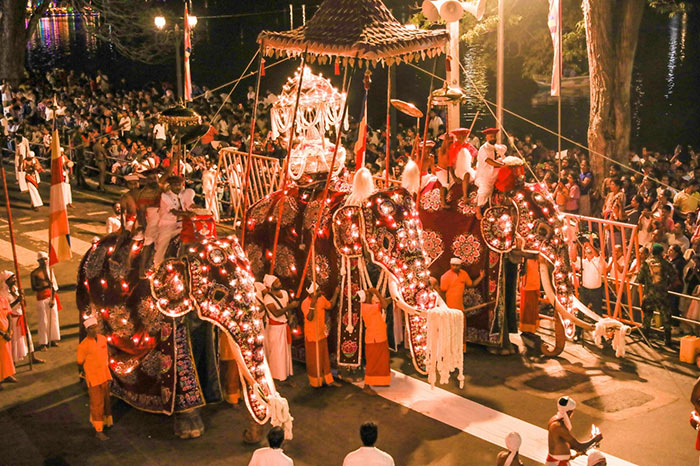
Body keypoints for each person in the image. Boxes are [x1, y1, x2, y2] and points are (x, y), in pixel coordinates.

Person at [77, 316, 113, 440]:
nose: (93, 330)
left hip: (104, 375)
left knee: (106, 401)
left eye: (94, 327)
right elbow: (79, 362)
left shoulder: (103, 339)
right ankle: (98, 430)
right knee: (97, 404)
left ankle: (105, 421)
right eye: (90, 328)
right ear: (87, 330)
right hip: (94, 378)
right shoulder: (83, 346)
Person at [300, 282, 341, 388]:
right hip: (311, 336)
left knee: (324, 359)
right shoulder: (305, 303)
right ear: (312, 293)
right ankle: (315, 382)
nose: (320, 292)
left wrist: (336, 293)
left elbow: (330, 305)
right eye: (317, 290)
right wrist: (312, 304)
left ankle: (329, 380)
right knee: (314, 360)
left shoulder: (321, 298)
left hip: (321, 334)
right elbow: (309, 317)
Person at [637, 243, 678, 347]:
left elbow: (640, 279)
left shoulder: (646, 264)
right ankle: (667, 341)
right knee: (666, 317)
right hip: (662, 295)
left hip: (649, 294)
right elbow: (674, 278)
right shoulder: (666, 263)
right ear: (661, 252)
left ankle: (645, 338)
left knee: (647, 316)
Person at [1, 271, 43, 365]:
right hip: (13, 320)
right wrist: (17, 300)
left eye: (15, 277)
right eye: (12, 278)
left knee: (28, 337)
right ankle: (13, 362)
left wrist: (22, 297)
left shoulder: (16, 289)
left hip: (21, 316)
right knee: (15, 341)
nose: (15, 279)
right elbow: (6, 309)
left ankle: (32, 357)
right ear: (7, 281)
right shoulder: (3, 294)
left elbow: (24, 304)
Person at [153, 175, 195, 267]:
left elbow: (190, 205)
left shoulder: (185, 194)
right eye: (175, 185)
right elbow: (174, 211)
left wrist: (198, 208)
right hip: (168, 225)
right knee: (163, 244)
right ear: (170, 186)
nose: (178, 187)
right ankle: (157, 265)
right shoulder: (165, 196)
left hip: (183, 224)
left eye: (179, 185)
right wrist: (186, 214)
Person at [546, 396, 602, 466]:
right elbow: (579, 446)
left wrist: (575, 453)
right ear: (569, 412)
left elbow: (560, 443)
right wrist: (595, 439)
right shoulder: (559, 427)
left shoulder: (556, 420)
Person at [262, 274, 297, 383]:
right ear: (271, 286)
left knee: (285, 352)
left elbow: (287, 309)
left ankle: (285, 375)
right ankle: (276, 377)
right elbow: (276, 313)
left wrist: (290, 317)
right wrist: (290, 306)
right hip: (275, 329)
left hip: (284, 326)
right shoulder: (267, 298)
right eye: (276, 282)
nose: (279, 283)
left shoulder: (285, 293)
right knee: (277, 354)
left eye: (278, 281)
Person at [359, 288, 391, 392]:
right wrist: (377, 292)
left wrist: (394, 298)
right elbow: (385, 305)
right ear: (365, 298)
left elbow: (385, 302)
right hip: (374, 339)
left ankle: (380, 380)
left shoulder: (371, 304)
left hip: (379, 337)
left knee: (382, 361)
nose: (371, 295)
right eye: (369, 294)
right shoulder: (367, 307)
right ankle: (366, 385)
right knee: (372, 363)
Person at [30, 252, 60, 350]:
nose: (44, 261)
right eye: (41, 259)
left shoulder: (50, 271)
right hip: (41, 298)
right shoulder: (34, 273)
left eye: (45, 259)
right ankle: (43, 343)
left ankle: (53, 339)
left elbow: (54, 287)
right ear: (38, 261)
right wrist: (46, 284)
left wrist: (52, 299)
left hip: (50, 297)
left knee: (53, 319)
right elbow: (34, 287)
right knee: (43, 321)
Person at [475, 128, 506, 219]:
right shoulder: (483, 148)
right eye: (491, 137)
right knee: (484, 191)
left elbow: (503, 151)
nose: (493, 138)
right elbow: (488, 161)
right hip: (484, 174)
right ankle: (478, 211)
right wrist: (501, 165)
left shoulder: (495, 147)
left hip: (493, 172)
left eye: (494, 137)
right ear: (486, 137)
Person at [0, 281, 17, 386]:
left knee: (7, 356)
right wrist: (2, 334)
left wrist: (10, 330)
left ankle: (7, 374)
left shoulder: (3, 299)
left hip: (6, 333)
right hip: (1, 334)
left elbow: (9, 315)